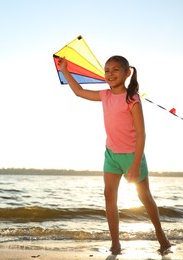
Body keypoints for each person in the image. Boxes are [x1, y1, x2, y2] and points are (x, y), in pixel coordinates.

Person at [58, 55, 171, 255]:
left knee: (145, 197)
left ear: (127, 73)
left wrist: (136, 164)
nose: (110, 74)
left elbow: (142, 133)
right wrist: (65, 70)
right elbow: (79, 92)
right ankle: (115, 243)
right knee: (109, 196)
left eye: (115, 70)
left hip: (132, 156)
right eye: (107, 70)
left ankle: (161, 236)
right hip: (111, 155)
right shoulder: (105, 95)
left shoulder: (132, 98)